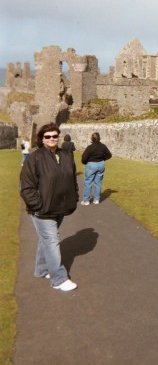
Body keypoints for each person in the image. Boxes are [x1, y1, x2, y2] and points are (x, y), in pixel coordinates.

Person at [20, 122, 79, 292]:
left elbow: (72, 179)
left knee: (45, 240)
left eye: (55, 136)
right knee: (52, 240)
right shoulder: (35, 158)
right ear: (42, 139)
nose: (52, 139)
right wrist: (37, 205)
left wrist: (73, 197)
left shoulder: (66, 155)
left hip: (60, 207)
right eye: (48, 136)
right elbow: (26, 186)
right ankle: (59, 279)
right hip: (42, 210)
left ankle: (42, 269)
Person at [81, 132, 112, 205]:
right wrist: (103, 159)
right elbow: (109, 155)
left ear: (92, 139)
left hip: (91, 165)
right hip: (101, 164)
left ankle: (86, 200)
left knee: (88, 182)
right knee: (98, 183)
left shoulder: (90, 147)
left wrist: (86, 163)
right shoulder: (103, 146)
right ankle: (96, 199)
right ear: (99, 138)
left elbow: (84, 158)